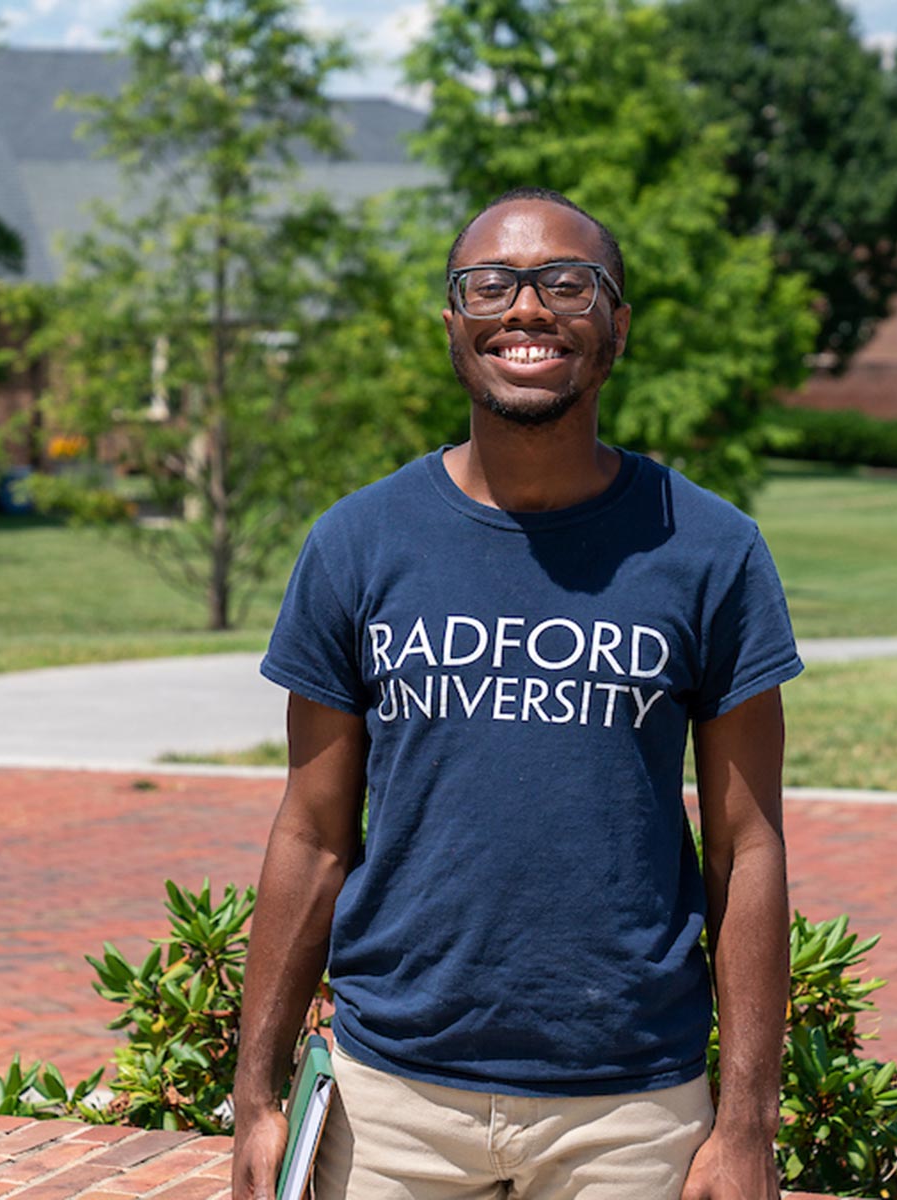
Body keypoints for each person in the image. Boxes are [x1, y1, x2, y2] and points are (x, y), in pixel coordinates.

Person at [231, 186, 803, 1200]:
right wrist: (258, 1093)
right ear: (456, 324)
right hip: (391, 1107)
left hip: (630, 1114)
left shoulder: (711, 551)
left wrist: (749, 1122)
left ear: (615, 328)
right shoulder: (359, 545)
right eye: (490, 284)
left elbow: (747, 848)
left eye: (567, 284)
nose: (527, 309)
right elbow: (311, 834)